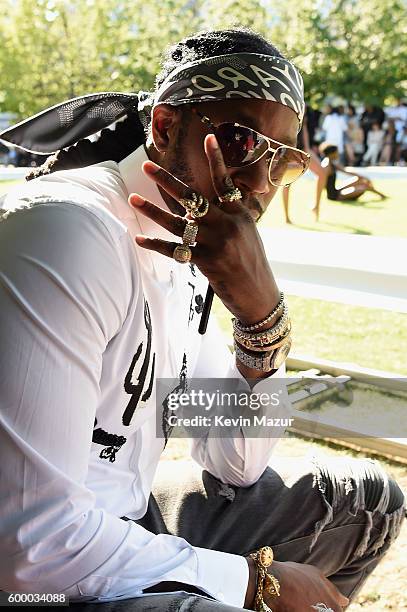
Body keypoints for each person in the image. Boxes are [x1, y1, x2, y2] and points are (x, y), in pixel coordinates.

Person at [0, 29, 404, 612]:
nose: (261, 185)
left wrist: (260, 320)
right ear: (165, 127)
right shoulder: (69, 232)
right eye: (241, 142)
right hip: (35, 581)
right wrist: (251, 582)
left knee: (368, 502)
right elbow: (29, 549)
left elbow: (236, 462)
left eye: (284, 160)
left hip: (122, 521)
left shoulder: (188, 244)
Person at [319, 142, 387, 201]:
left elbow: (346, 171)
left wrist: (364, 177)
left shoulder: (331, 163)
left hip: (337, 190)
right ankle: (383, 196)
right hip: (334, 196)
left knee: (359, 179)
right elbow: (322, 182)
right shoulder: (327, 166)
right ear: (332, 154)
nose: (338, 154)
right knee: (364, 187)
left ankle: (382, 196)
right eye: (337, 152)